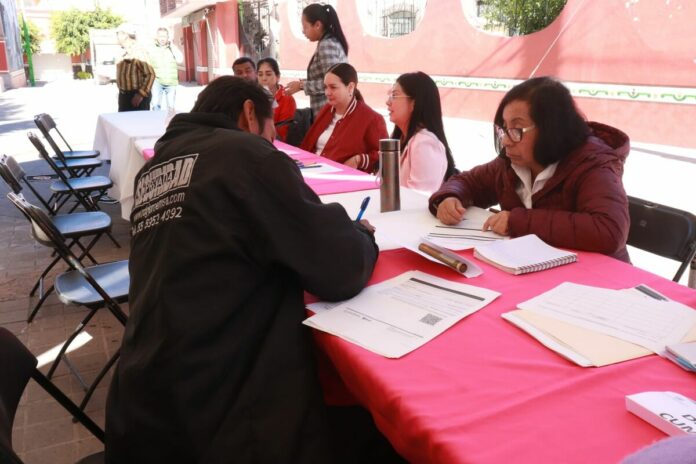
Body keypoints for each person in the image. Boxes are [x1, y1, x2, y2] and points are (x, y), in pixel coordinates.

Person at [105, 76, 379, 463]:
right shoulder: (247, 155)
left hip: (142, 407)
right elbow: (340, 268)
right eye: (269, 135)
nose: (270, 145)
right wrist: (361, 235)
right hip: (225, 418)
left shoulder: (154, 170)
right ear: (250, 114)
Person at [429, 76, 631, 261]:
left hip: (598, 282)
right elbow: (469, 182)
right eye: (504, 129)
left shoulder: (592, 164)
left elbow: (608, 231)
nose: (507, 141)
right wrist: (449, 197)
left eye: (517, 130)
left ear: (551, 129)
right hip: (535, 269)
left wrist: (517, 222)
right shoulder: (510, 164)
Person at [300, 63, 387, 173]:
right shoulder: (326, 110)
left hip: (338, 178)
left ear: (350, 87)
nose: (327, 92)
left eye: (333, 87)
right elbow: (308, 145)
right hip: (311, 169)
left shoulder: (371, 119)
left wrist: (359, 160)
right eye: (325, 87)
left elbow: (384, 154)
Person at [387, 72, 457, 193]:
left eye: (394, 95)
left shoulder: (424, 143)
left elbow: (419, 198)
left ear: (414, 103)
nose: (388, 102)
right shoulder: (401, 138)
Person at [285, 4, 348, 116]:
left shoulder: (327, 45)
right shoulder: (327, 42)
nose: (303, 31)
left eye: (305, 27)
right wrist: (303, 83)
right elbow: (325, 77)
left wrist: (301, 86)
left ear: (317, 25)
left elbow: (332, 83)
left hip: (330, 113)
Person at [115, 23, 155, 112]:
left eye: (117, 34)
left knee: (139, 125)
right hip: (124, 96)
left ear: (125, 35)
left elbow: (150, 74)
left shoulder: (138, 51)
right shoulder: (124, 52)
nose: (116, 36)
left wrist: (140, 95)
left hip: (136, 97)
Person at [257, 57, 296, 141]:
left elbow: (283, 132)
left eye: (268, 74)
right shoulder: (254, 96)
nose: (264, 78)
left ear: (277, 76)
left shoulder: (287, 98)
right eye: (260, 74)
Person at [149, 27, 183, 112]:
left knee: (171, 108)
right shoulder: (152, 48)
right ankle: (156, 123)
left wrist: (172, 46)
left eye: (164, 36)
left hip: (171, 82)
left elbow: (180, 60)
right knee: (156, 107)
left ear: (168, 37)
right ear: (157, 37)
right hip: (157, 82)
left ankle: (170, 124)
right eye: (160, 36)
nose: (162, 38)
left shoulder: (172, 48)